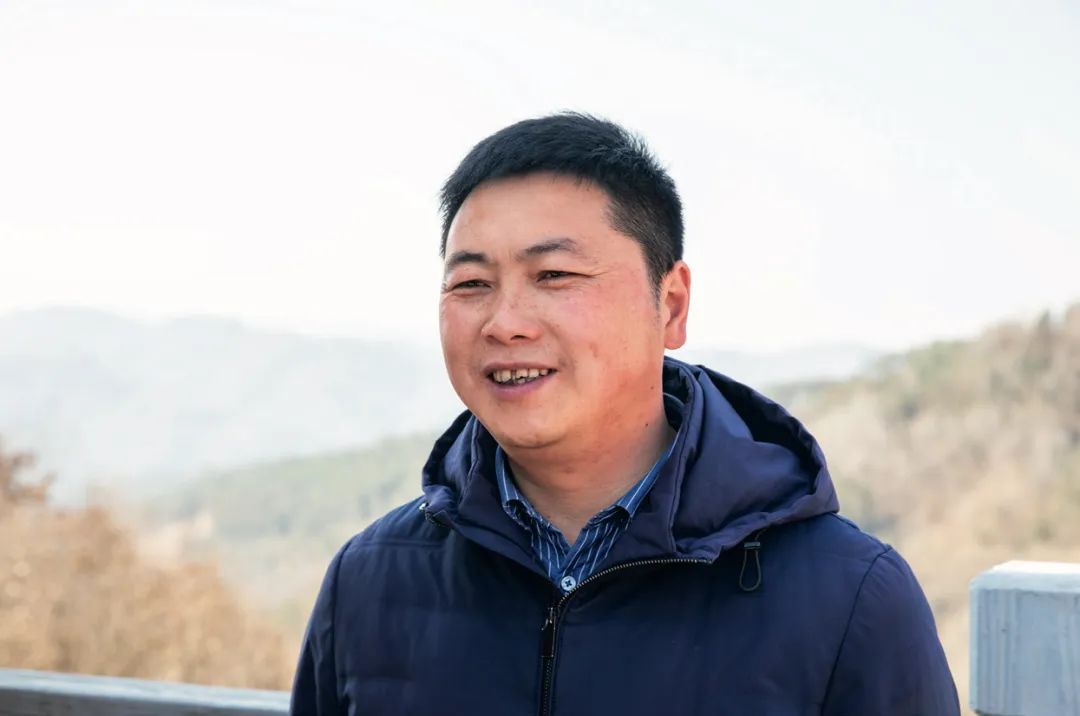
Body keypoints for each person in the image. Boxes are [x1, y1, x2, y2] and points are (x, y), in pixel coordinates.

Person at [290, 113, 960, 715]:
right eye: (471, 283)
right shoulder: (369, 580)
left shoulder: (850, 599)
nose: (505, 322)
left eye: (554, 275)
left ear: (670, 305)